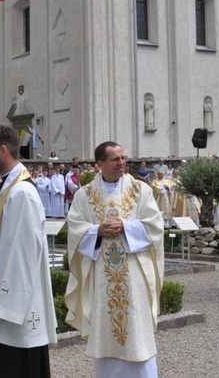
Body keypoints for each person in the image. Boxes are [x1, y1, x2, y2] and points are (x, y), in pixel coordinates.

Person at [65, 141, 164, 378]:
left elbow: (155, 227)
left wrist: (126, 227)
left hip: (134, 276)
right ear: (100, 164)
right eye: (115, 159)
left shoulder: (141, 191)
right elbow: (75, 229)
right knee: (107, 335)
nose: (122, 163)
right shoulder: (84, 195)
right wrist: (96, 231)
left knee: (137, 334)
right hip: (102, 276)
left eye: (123, 158)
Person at [0, 124, 57, 377]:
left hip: (14, 310)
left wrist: (7, 306)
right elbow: (3, 239)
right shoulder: (8, 188)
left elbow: (23, 255)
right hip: (1, 304)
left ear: (3, 150)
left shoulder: (22, 193)